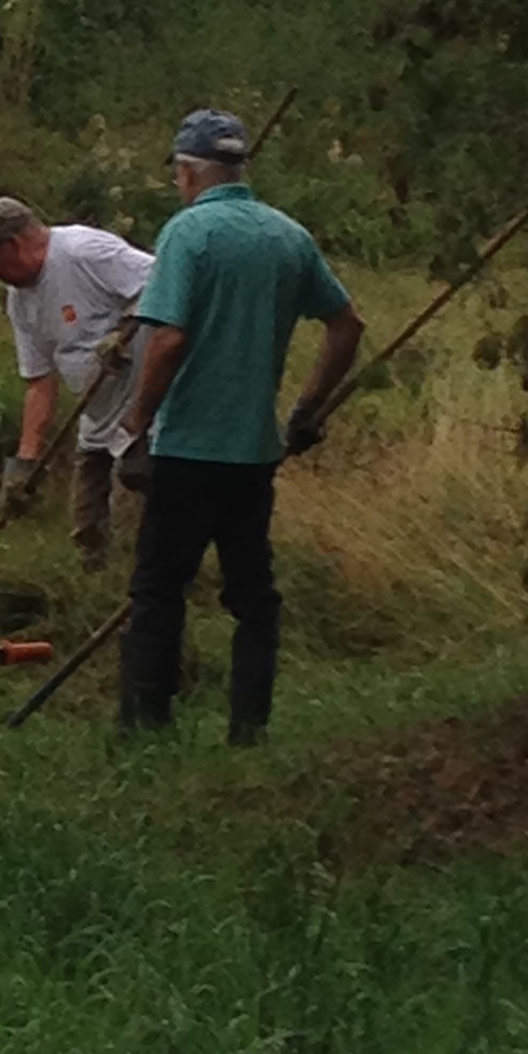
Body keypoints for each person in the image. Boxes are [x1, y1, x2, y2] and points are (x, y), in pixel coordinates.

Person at [116, 110, 363, 745]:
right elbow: (346, 327)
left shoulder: (187, 234)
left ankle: (146, 726)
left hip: (188, 449)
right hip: (253, 454)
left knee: (158, 590)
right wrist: (306, 411)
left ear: (187, 171)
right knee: (253, 597)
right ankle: (248, 730)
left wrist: (136, 427)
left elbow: (167, 340)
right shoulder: (287, 236)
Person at [0, 194, 154, 567]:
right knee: (87, 527)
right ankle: (94, 585)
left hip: (142, 413)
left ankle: (148, 590)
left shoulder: (84, 252)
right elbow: (39, 381)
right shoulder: (19, 300)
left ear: (13, 246)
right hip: (96, 420)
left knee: (139, 516)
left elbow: (164, 281)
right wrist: (25, 464)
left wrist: (125, 329)